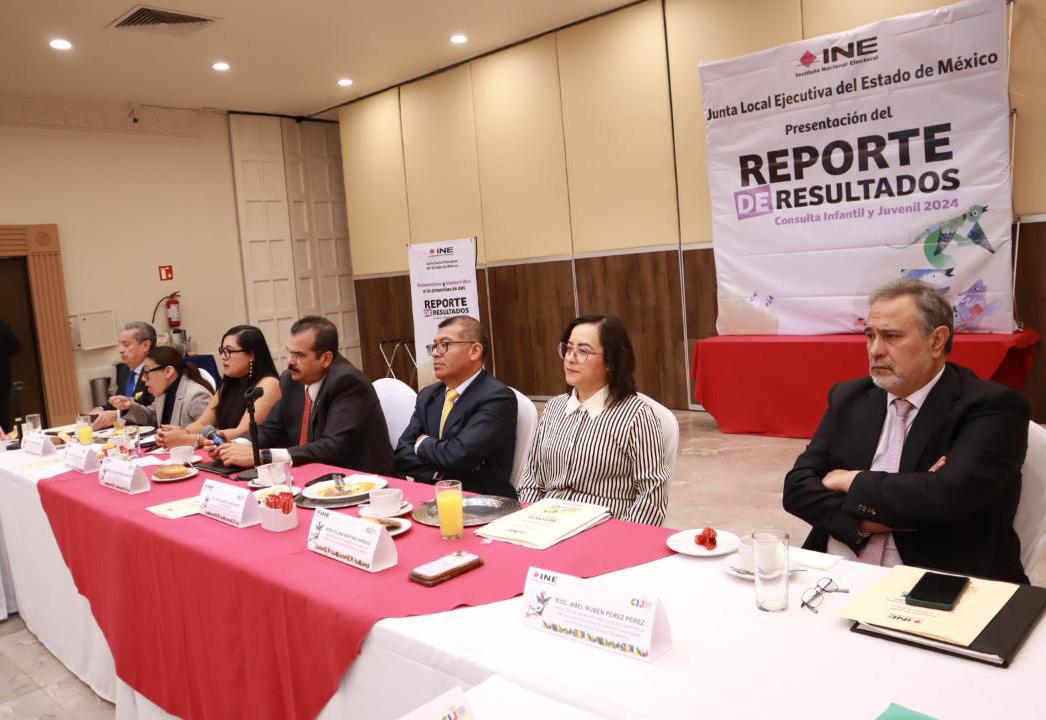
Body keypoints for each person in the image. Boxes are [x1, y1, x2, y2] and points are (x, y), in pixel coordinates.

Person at [783, 278, 1030, 584]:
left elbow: (945, 498)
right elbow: (797, 489)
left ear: (937, 341)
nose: (875, 350)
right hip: (833, 567)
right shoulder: (849, 397)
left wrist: (848, 479)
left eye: (891, 336)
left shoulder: (992, 406)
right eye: (870, 336)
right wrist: (864, 523)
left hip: (937, 579)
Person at [517, 314, 669, 525]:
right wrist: (528, 524)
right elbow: (532, 479)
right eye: (568, 348)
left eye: (583, 351)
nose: (570, 358)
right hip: (547, 526)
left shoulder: (637, 415)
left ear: (610, 361)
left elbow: (652, 497)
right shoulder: (554, 408)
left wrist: (619, 539)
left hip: (603, 530)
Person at [216, 315, 394, 474]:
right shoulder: (291, 379)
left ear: (326, 358)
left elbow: (332, 447)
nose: (290, 362)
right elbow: (272, 428)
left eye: (299, 355)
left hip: (361, 480)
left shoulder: (347, 382)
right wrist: (235, 447)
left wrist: (264, 456)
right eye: (290, 352)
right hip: (314, 474)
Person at [394, 316, 518, 498]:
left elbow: (458, 456)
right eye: (434, 346)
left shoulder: (497, 397)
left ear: (474, 351)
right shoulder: (428, 396)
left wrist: (421, 443)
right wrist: (440, 475)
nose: (435, 353)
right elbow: (402, 454)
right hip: (431, 497)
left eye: (445, 345)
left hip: (480, 503)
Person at [156, 325, 281, 448]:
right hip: (227, 451)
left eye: (229, 351)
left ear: (251, 354)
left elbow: (242, 432)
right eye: (222, 351)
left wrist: (190, 439)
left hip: (256, 455)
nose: (222, 357)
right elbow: (203, 423)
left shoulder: (269, 384)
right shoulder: (229, 384)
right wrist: (182, 433)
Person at [114, 346, 213, 428]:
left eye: (147, 372)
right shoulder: (165, 391)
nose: (143, 379)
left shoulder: (196, 396)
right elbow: (153, 417)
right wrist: (130, 407)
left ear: (168, 371)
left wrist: (181, 434)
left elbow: (212, 435)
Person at [91, 321, 157, 429]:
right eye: (120, 345)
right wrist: (101, 409)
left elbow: (153, 415)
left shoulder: (156, 371)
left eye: (126, 345)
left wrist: (118, 416)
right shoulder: (124, 370)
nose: (120, 350)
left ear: (145, 345)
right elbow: (117, 404)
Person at [0, 320, 19, 432]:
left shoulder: (2, 326)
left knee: (2, 410)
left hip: (2, 376)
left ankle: (4, 436)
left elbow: (15, 347)